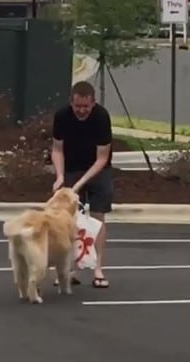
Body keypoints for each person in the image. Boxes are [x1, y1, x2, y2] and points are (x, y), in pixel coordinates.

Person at [51, 80, 113, 288]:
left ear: (93, 103)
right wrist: (60, 176)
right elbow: (57, 149)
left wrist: (80, 184)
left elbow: (102, 158)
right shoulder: (62, 116)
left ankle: (97, 269)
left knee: (97, 218)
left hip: (98, 171)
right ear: (71, 102)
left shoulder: (101, 117)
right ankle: (71, 270)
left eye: (86, 106)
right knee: (70, 221)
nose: (81, 110)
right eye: (77, 106)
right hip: (71, 168)